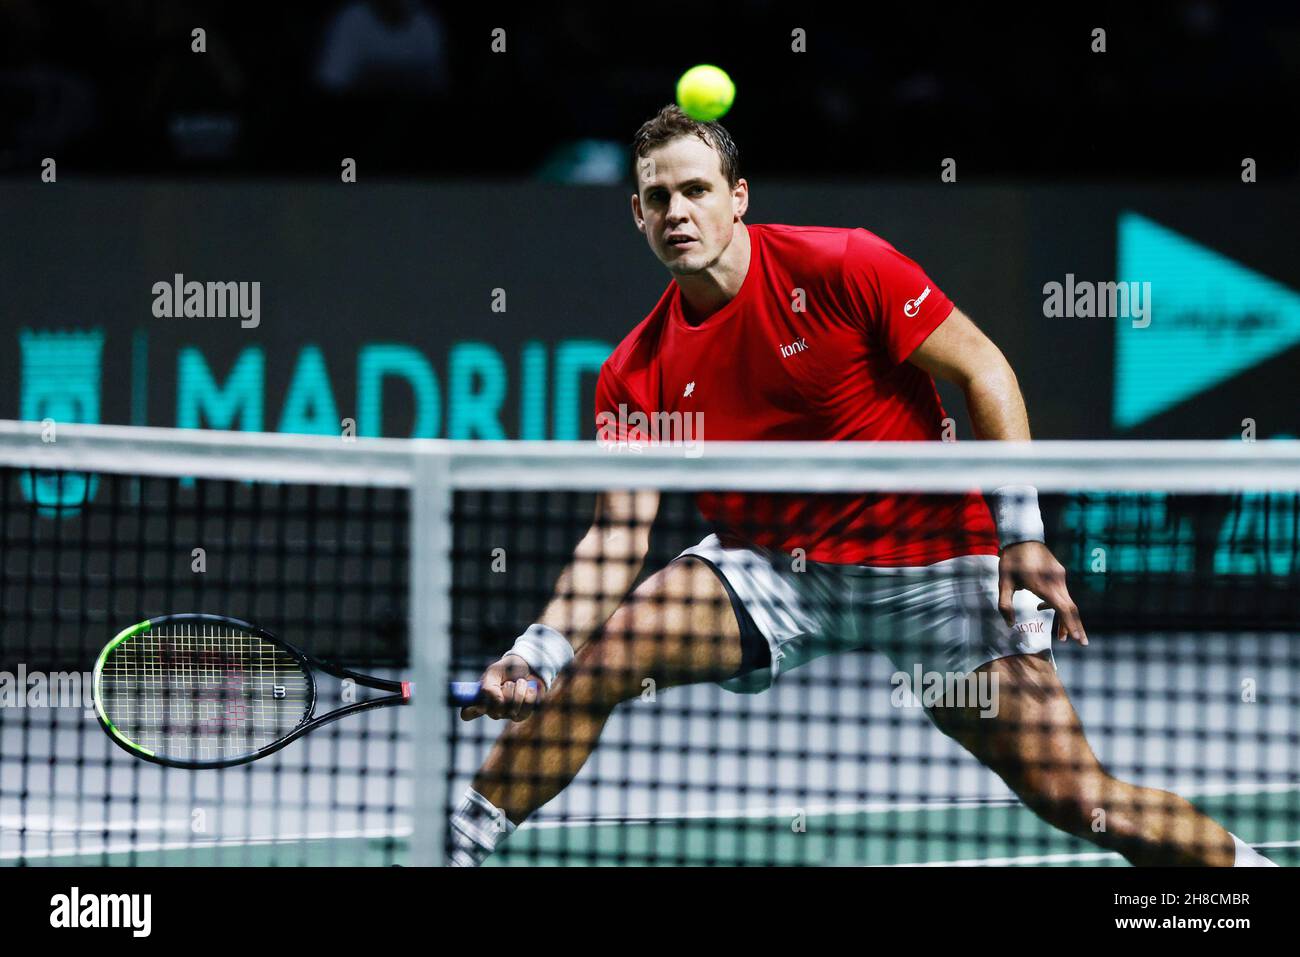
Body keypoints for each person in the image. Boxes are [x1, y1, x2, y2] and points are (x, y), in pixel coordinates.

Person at [448, 104, 1274, 867]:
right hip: (774, 570)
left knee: (1084, 801)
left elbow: (984, 368)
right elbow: (619, 533)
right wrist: (537, 651)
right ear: (637, 212)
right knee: (605, 658)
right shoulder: (635, 370)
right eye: (656, 196)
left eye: (695, 190)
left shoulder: (842, 264)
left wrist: (1021, 532)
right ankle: (458, 842)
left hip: (937, 567)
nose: (676, 212)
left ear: (738, 198)